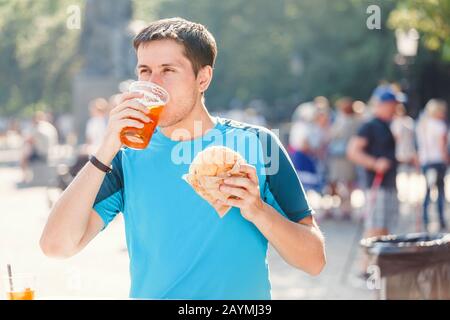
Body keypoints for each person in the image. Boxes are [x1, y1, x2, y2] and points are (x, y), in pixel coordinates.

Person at [40, 17, 326, 300]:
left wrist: (258, 210)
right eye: (145, 71)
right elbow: (56, 246)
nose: (154, 84)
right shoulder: (124, 158)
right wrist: (105, 148)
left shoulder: (258, 144)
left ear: (203, 78)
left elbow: (314, 261)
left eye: (168, 70)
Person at [347, 88, 399, 277]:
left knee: (384, 227)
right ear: (383, 104)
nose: (396, 108)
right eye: (393, 104)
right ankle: (364, 267)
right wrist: (375, 163)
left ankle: (378, 266)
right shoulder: (369, 125)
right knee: (374, 227)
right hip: (376, 184)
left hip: (388, 183)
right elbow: (353, 151)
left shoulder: (386, 124)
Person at [416, 99, 449, 232]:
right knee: (440, 191)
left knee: (428, 190)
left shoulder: (422, 124)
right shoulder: (439, 125)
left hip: (426, 161)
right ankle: (441, 219)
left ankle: (425, 218)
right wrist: (446, 158)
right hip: (438, 161)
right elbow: (442, 147)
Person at [327, 97, 360, 219]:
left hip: (340, 156)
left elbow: (333, 134)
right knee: (348, 183)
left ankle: (343, 208)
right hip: (348, 156)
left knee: (339, 183)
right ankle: (347, 207)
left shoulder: (341, 121)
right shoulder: (356, 121)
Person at [20, 111, 58, 182]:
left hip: (42, 155)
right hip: (52, 153)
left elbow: (28, 140)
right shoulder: (50, 126)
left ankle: (25, 177)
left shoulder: (38, 127)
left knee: (24, 157)